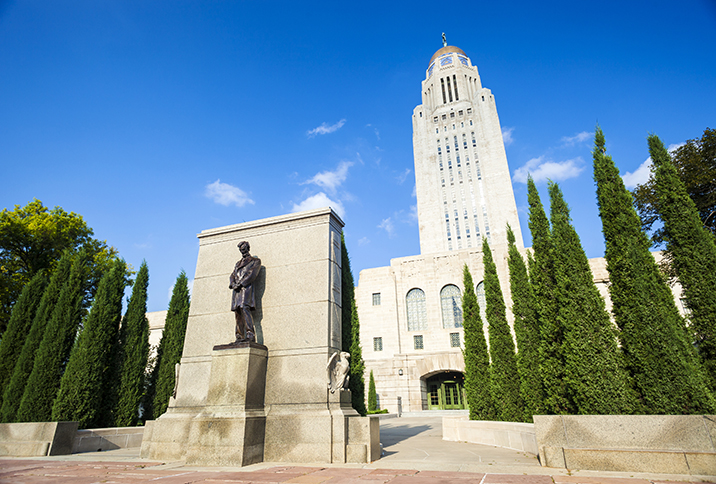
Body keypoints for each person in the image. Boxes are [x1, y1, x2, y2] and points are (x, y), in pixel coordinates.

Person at [229, 241, 261, 343]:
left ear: (248, 248)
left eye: (243, 249)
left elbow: (252, 274)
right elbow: (232, 275)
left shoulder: (255, 261)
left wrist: (241, 283)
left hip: (246, 290)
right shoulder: (238, 264)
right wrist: (233, 283)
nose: (242, 251)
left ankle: (250, 336)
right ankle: (239, 336)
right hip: (236, 291)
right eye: (240, 250)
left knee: (244, 309)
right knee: (237, 312)